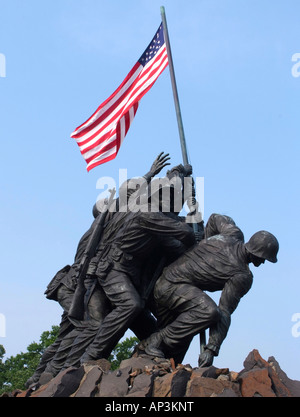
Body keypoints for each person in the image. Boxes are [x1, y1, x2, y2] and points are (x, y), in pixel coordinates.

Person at [144, 213, 279, 366]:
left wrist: (203, 244)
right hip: (171, 288)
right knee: (208, 312)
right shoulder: (242, 276)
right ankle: (154, 341)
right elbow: (223, 312)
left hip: (169, 286)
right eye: (263, 258)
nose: (262, 263)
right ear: (257, 252)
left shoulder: (232, 234)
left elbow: (215, 218)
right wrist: (212, 349)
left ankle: (151, 360)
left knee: (176, 346)